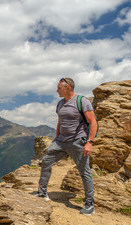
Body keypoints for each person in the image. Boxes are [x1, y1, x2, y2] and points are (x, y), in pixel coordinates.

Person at [36, 77, 98, 216]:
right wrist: (57, 138)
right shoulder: (60, 103)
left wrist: (89, 143)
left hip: (77, 141)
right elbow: (60, 122)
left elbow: (93, 122)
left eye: (59, 88)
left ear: (68, 87)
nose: (57, 90)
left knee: (84, 171)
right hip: (60, 141)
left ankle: (89, 204)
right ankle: (42, 193)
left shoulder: (82, 101)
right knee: (46, 162)